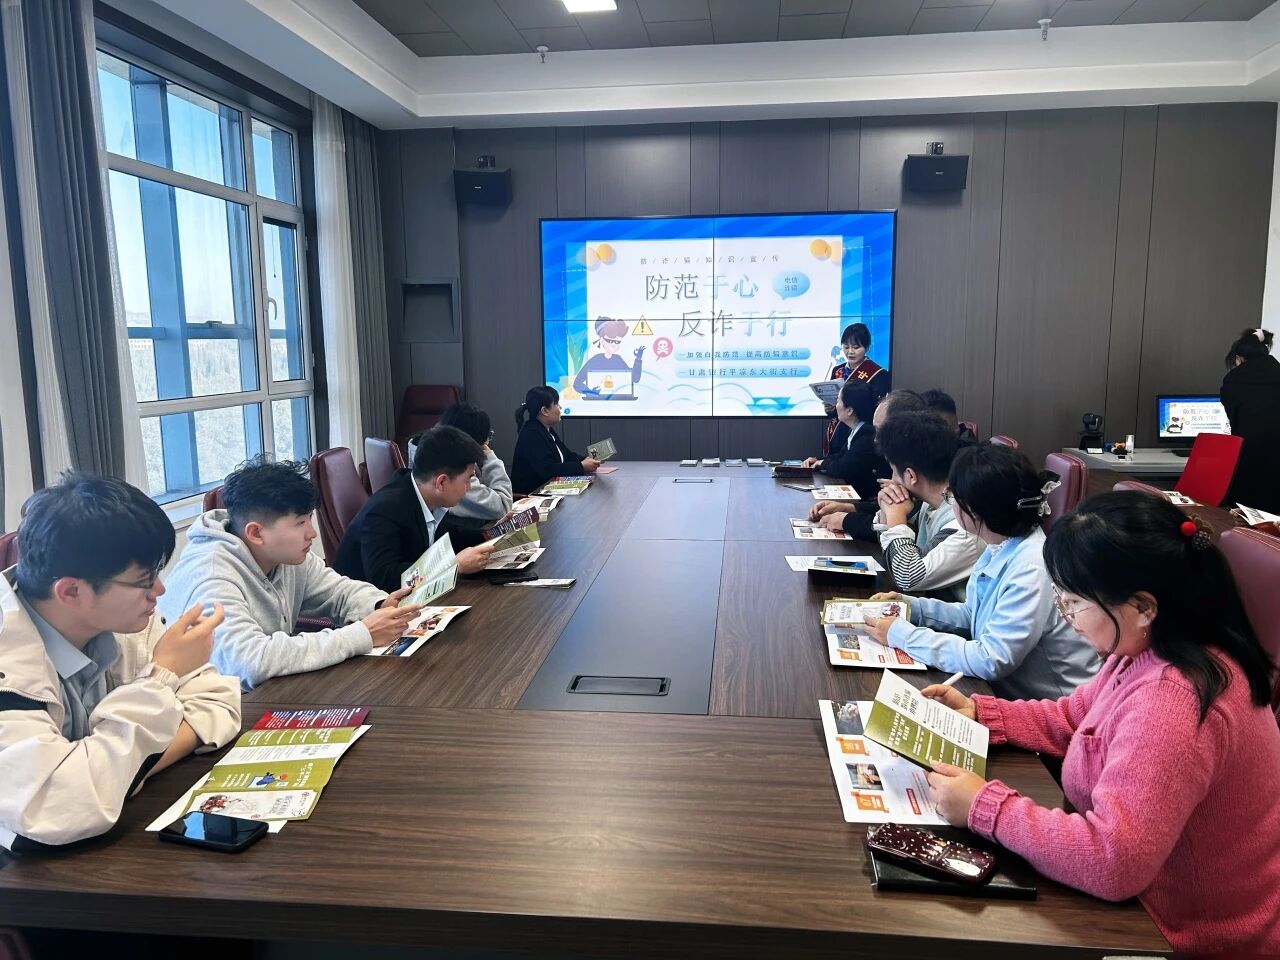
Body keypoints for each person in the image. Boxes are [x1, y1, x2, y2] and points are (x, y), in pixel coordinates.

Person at [920, 493, 1280, 955]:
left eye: (1073, 602)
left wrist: (985, 807)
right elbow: (1076, 718)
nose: (1066, 617)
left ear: (1144, 606)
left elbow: (1113, 861)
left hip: (1180, 930)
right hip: (1146, 895)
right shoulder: (1152, 646)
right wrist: (984, 714)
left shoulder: (1174, 699)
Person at [0, 473, 240, 853]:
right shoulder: (7, 664)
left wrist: (127, 771)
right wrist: (162, 677)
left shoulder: (120, 621)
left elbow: (217, 700)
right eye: (144, 581)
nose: (159, 590)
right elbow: (57, 807)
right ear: (72, 591)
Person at [160, 457, 426, 690]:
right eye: (300, 523)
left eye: (310, 519)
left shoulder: (286, 556)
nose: (312, 533)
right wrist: (361, 634)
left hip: (262, 695)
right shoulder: (212, 576)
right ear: (256, 533)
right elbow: (249, 662)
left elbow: (338, 591)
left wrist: (378, 605)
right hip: (206, 713)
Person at [861, 444, 1098, 701]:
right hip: (1007, 693)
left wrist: (903, 635)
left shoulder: (1031, 567)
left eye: (952, 498)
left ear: (974, 510)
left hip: (1050, 707)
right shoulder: (1000, 543)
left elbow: (991, 658)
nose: (950, 504)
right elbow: (972, 614)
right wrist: (912, 607)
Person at [334, 426, 495, 592]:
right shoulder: (385, 510)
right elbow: (386, 580)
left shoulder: (424, 494)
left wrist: (495, 533)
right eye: (468, 479)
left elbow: (453, 536)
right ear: (441, 482)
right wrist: (453, 565)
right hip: (365, 604)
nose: (469, 487)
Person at [853, 411, 982, 600]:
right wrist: (886, 510)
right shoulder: (931, 502)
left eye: (894, 472)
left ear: (911, 476)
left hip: (956, 614)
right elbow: (895, 556)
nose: (892, 480)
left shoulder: (964, 520)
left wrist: (895, 519)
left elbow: (908, 576)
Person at [809, 388, 926, 539]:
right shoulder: (905, 462)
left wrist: (846, 520)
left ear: (902, 431)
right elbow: (886, 511)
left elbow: (898, 528)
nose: (875, 439)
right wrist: (847, 507)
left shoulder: (921, 473)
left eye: (879, 430)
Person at [1221, 327, 1280, 512]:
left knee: (1245, 515)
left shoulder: (1233, 380)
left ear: (1239, 358)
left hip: (1249, 459)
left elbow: (1236, 420)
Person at [801, 379, 885, 496]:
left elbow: (843, 467)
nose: (835, 406)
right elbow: (841, 455)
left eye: (838, 401)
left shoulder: (867, 435)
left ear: (849, 410)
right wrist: (817, 460)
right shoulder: (856, 429)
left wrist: (821, 463)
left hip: (867, 498)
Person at [511, 386, 598, 494]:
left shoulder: (546, 429)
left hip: (548, 490)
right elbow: (547, 469)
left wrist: (586, 459)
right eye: (556, 404)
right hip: (531, 495)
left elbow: (567, 456)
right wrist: (581, 466)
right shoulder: (531, 433)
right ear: (544, 411)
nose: (560, 407)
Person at [434, 402, 513, 522]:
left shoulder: (433, 452)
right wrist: (488, 454)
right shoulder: (454, 469)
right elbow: (502, 507)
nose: (468, 486)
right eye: (486, 438)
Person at [822, 322, 890, 454]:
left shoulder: (879, 374)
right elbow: (835, 408)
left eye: (856, 347)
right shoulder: (837, 371)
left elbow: (878, 410)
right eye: (846, 347)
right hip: (837, 433)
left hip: (861, 435)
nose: (850, 352)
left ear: (867, 347)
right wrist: (830, 408)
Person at [572, 317, 645, 398]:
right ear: (602, 340)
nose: (613, 345)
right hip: (597, 402)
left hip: (618, 402)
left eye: (617, 342)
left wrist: (638, 359)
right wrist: (590, 392)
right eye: (610, 341)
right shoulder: (595, 360)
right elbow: (577, 384)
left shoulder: (618, 360)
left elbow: (634, 378)